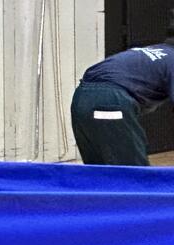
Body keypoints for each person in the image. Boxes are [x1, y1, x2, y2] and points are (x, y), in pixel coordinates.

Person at [71, 12, 174, 166]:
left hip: (81, 99)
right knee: (134, 173)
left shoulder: (157, 51)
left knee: (99, 171)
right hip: (110, 100)